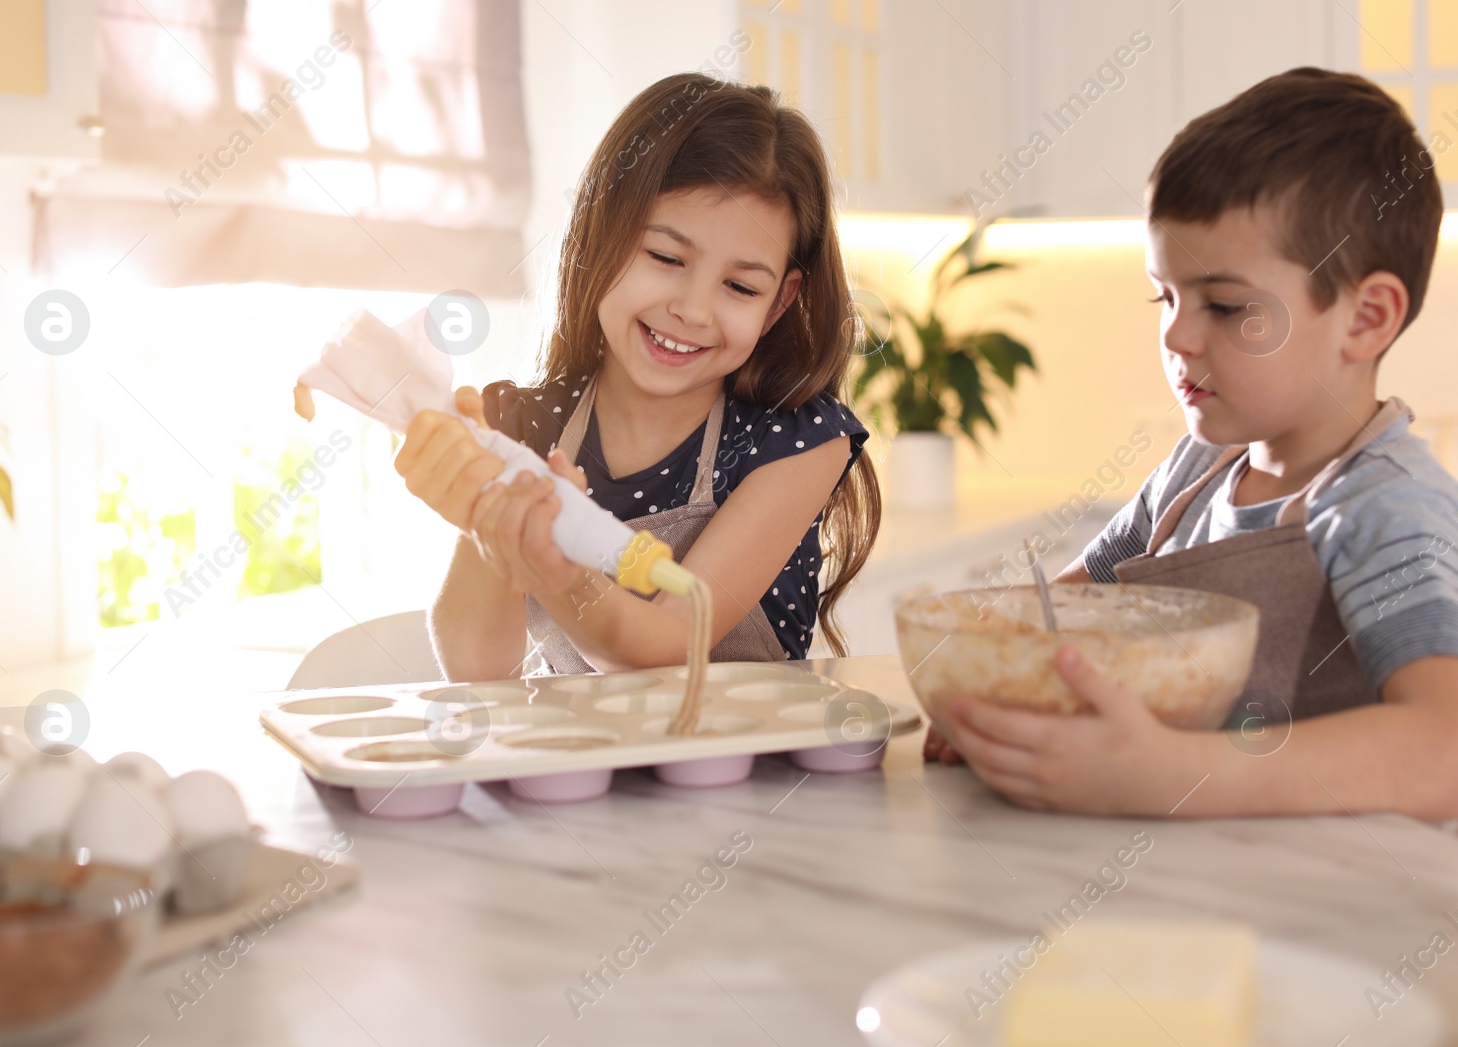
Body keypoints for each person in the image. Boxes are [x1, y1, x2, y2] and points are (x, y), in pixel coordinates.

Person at [928, 67, 1458, 820]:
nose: (1176, 334)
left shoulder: (1383, 504)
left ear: (1365, 317)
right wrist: (1003, 694)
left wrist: (1178, 773)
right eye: (1165, 296)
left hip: (1335, 913)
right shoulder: (1194, 472)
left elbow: (1443, 749)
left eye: (1225, 304)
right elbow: (1072, 608)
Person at [394, 73, 880, 680]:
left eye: (740, 286)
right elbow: (477, 670)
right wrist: (481, 507)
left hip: (752, 768)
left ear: (778, 303)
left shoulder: (795, 440)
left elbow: (664, 649)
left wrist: (559, 571)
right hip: (579, 764)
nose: (693, 310)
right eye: (666, 258)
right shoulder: (522, 424)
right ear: (603, 237)